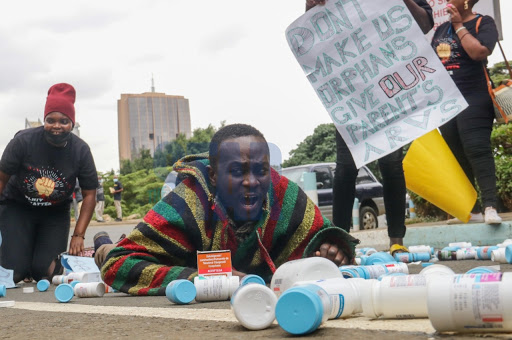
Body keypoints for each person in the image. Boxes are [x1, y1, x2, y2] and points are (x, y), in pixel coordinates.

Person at [95, 124, 358, 295]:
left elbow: (321, 236)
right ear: (213, 176)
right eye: (236, 171)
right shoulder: (187, 201)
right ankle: (102, 243)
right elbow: (117, 263)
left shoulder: (282, 193)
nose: (252, 182)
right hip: (180, 259)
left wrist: (332, 250)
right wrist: (207, 277)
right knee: (108, 251)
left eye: (261, 171)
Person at [305, 0, 434, 254]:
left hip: (390, 90)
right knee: (345, 169)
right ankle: (340, 241)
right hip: (353, 96)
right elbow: (311, 32)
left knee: (391, 166)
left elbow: (425, 23)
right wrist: (311, 5)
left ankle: (397, 239)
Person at [0, 83, 98, 284]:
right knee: (13, 274)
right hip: (18, 207)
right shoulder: (23, 142)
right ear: (44, 120)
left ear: (72, 123)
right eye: (50, 120)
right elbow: (1, 179)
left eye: (64, 121)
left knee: (47, 273)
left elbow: (90, 194)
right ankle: (19, 260)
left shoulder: (81, 150)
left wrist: (78, 235)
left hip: (54, 213)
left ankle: (32, 261)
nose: (56, 126)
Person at [432, 0, 501, 224]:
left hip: (474, 97)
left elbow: (478, 52)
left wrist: (460, 26)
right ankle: (472, 210)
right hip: (447, 101)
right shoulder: (442, 29)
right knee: (457, 153)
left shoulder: (483, 22)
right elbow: (438, 59)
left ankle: (490, 205)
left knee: (477, 149)